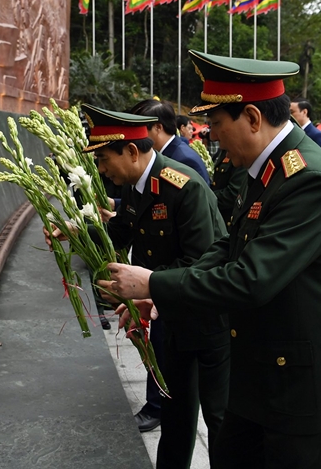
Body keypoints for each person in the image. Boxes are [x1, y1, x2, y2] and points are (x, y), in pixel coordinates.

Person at [101, 50, 321, 469]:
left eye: (215, 124)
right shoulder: (265, 171)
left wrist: (154, 283)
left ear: (252, 117)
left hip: (309, 382)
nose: (210, 136)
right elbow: (227, 247)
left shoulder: (309, 179)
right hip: (263, 366)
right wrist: (167, 295)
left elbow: (251, 278)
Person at [69, 104, 230, 467]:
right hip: (169, 316)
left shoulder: (183, 186)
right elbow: (123, 228)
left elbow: (204, 263)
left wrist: (150, 286)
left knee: (220, 418)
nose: (101, 169)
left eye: (105, 159)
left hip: (208, 321)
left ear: (131, 152)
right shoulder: (140, 186)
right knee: (174, 412)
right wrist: (77, 231)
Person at [131, 99, 211, 184]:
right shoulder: (172, 153)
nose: (136, 137)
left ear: (158, 128)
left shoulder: (183, 160)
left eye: (140, 131)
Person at [210, 149, 248, 229]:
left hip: (228, 220)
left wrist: (206, 198)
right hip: (219, 216)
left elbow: (233, 193)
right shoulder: (224, 150)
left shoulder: (240, 152)